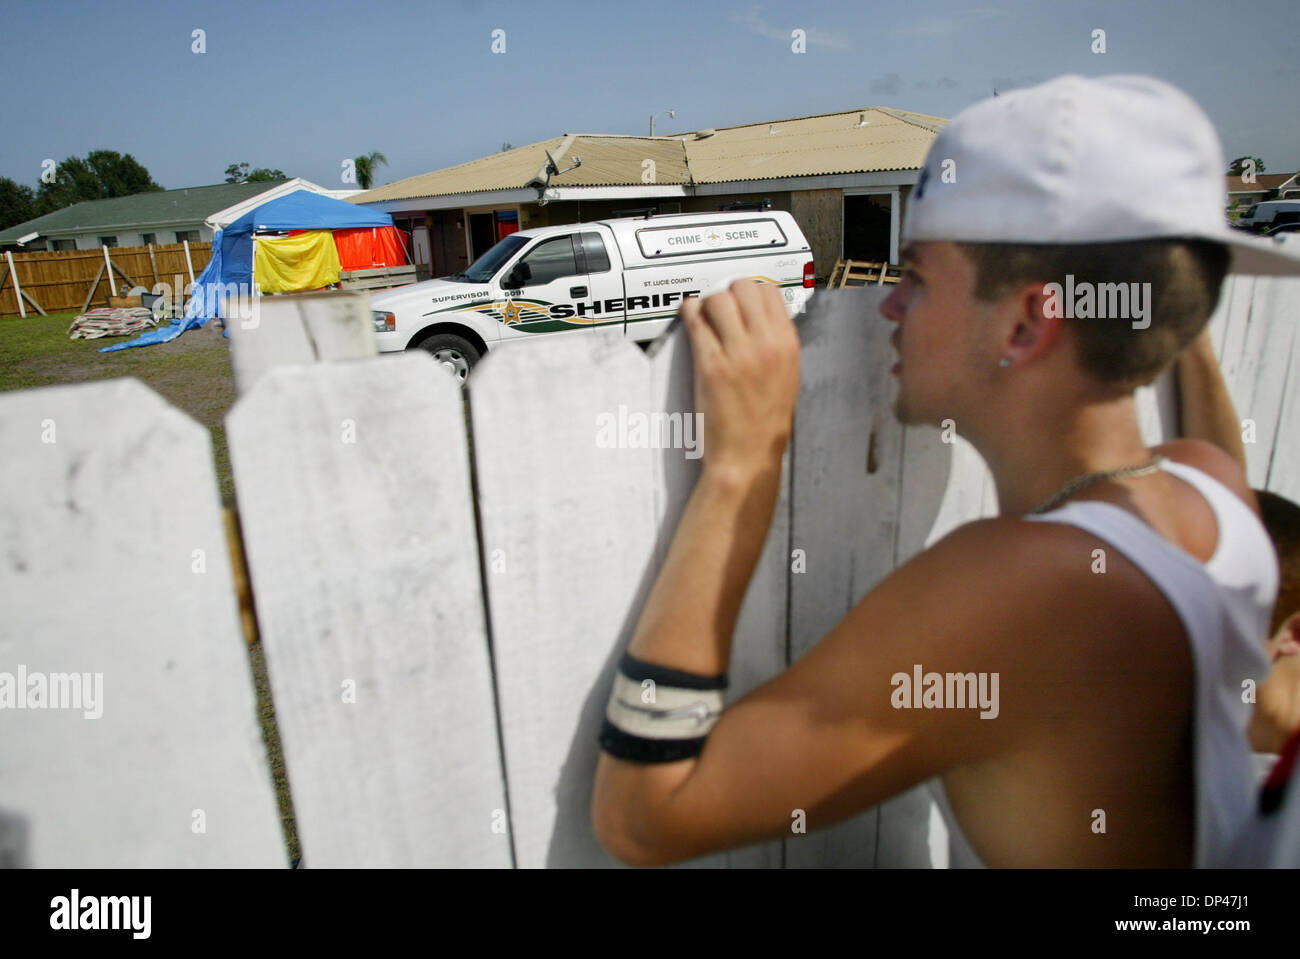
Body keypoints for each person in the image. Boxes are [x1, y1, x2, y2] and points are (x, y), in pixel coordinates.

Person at [589, 74, 1300, 868]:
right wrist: (1167, 307)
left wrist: (743, 468)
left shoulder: (1013, 594)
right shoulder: (1216, 498)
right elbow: (1217, 452)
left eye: (919, 274)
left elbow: (646, 817)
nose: (889, 304)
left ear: (1028, 321)